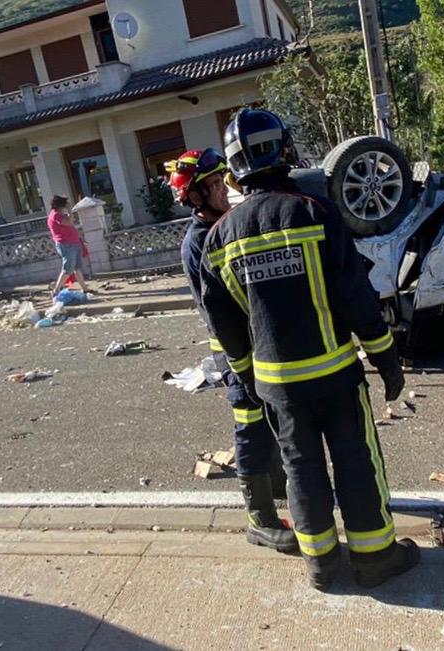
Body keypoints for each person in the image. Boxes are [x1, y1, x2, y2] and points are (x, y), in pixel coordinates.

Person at [199, 108, 419, 591]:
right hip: (336, 374)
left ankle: (320, 564)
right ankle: (375, 557)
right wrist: (387, 362)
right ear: (285, 151)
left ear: (235, 168)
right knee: (356, 460)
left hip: (276, 386)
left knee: (300, 468)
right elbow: (357, 300)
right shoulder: (316, 213)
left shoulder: (217, 240)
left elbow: (226, 329)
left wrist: (249, 385)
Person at [168, 148, 296, 554]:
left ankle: (276, 485)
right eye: (213, 186)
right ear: (196, 197)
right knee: (250, 427)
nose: (224, 191)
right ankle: (259, 518)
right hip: (236, 351)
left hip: (255, 345)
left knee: (271, 417)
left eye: (223, 182)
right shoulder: (201, 242)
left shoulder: (219, 227)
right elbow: (222, 308)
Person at [47, 195, 90, 297]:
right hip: (66, 244)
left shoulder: (61, 214)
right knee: (68, 268)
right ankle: (56, 290)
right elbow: (69, 222)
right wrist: (70, 210)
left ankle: (84, 288)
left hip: (74, 243)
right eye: (66, 204)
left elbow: (71, 222)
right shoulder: (55, 215)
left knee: (77, 267)